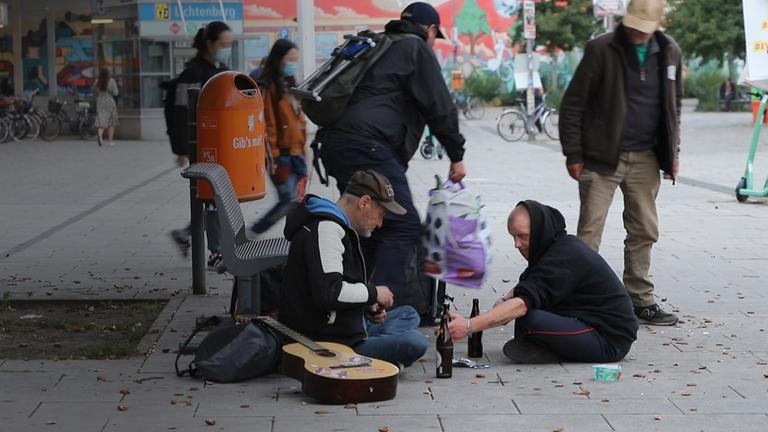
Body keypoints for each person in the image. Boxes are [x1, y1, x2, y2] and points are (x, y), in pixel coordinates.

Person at [316, 2, 467, 317]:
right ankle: (378, 308)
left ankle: (354, 303)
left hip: (337, 143)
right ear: (429, 31)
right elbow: (439, 106)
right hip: (366, 146)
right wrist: (456, 155)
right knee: (404, 224)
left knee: (369, 224)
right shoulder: (415, 48)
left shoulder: (380, 45)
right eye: (434, 35)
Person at [558, 0, 682, 325]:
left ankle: (640, 298)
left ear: (657, 24)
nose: (636, 32)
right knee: (589, 231)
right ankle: (582, 300)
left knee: (644, 229)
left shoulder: (670, 52)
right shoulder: (601, 49)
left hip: (647, 157)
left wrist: (674, 153)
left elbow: (674, 106)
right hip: (602, 158)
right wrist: (574, 153)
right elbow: (572, 105)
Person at [447, 201, 639, 364]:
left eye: (522, 236)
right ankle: (549, 346)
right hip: (585, 322)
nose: (516, 244)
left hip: (609, 340)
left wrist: (470, 326)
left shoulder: (565, 256)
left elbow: (522, 305)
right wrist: (499, 304)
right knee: (523, 313)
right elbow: (526, 289)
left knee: (529, 318)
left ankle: (552, 350)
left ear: (540, 231)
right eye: (513, 236)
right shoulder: (551, 247)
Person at [279, 170, 428, 368]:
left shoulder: (337, 225)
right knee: (415, 342)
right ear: (364, 202)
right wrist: (373, 293)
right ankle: (374, 359)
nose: (380, 223)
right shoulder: (327, 229)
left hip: (343, 325)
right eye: (380, 214)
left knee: (409, 313)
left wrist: (366, 309)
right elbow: (329, 292)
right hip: (329, 341)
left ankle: (381, 353)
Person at [168, 21, 233, 271]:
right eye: (223, 44)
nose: (227, 48)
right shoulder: (193, 72)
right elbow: (179, 111)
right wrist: (183, 147)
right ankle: (215, 251)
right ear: (210, 44)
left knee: (216, 198)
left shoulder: (223, 69)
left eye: (230, 44)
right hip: (203, 146)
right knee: (213, 198)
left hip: (221, 144)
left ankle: (186, 235)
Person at [249, 39, 308, 237]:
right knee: (287, 200)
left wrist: (304, 150)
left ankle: (297, 242)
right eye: (290, 59)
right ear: (279, 59)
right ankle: (251, 233)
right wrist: (271, 157)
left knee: (297, 202)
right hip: (280, 156)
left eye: (295, 59)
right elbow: (267, 125)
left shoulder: (290, 84)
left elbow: (298, 121)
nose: (293, 63)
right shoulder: (268, 86)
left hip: (297, 154)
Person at [93, 68, 119, 147]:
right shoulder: (111, 81)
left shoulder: (97, 81)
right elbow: (116, 93)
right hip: (109, 102)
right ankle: (111, 141)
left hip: (100, 102)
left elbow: (94, 90)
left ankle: (100, 134)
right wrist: (110, 90)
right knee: (111, 122)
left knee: (102, 119)